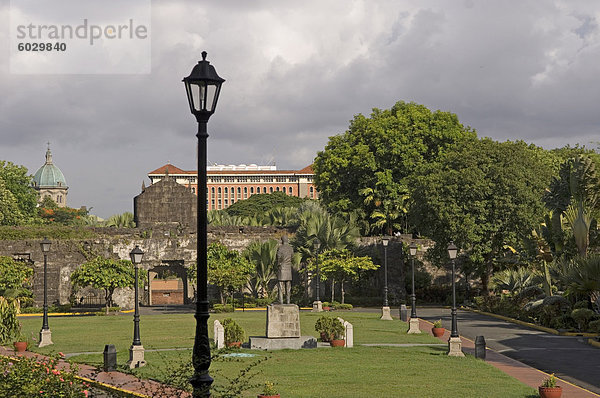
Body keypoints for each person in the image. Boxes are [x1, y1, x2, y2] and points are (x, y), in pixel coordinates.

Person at [276, 235, 294, 304]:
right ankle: (288, 301)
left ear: (282, 240)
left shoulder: (280, 248)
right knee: (288, 287)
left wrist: (279, 264)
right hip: (288, 268)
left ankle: (281, 301)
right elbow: (292, 257)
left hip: (282, 268)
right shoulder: (290, 248)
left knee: (280, 287)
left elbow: (278, 257)